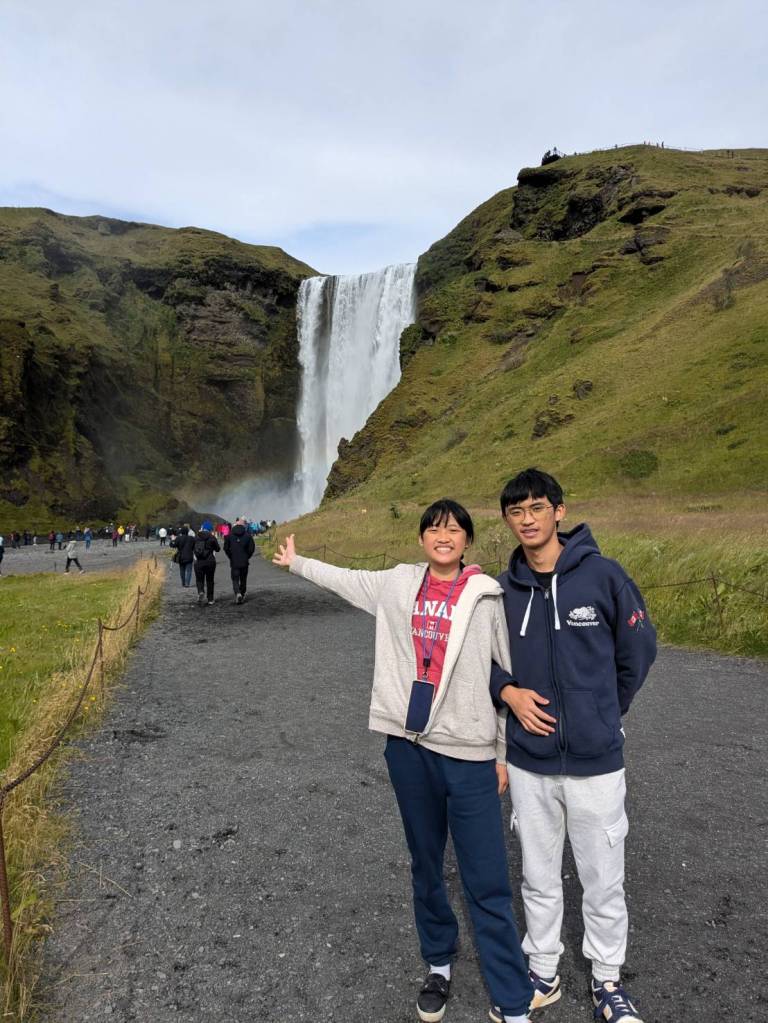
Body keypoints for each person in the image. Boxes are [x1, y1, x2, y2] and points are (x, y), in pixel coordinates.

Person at [273, 500, 534, 1023]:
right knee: (425, 862)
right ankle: (438, 963)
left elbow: (504, 672)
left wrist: (503, 755)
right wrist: (298, 563)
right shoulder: (396, 584)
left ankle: (512, 1000)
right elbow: (346, 580)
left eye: (454, 529)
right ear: (421, 539)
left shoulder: (487, 595)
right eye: (434, 529)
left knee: (487, 877)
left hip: (469, 752)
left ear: (467, 541)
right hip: (408, 748)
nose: (444, 536)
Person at [489, 469, 656, 1023]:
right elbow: (479, 659)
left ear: (559, 511)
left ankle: (608, 981)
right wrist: (507, 690)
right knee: (537, 877)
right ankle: (543, 972)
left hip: (595, 763)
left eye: (538, 507)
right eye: (517, 512)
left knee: (603, 880)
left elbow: (638, 651)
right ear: (508, 520)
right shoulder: (502, 591)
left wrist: (602, 711)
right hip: (529, 762)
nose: (528, 519)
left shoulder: (604, 576)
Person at [224, 517, 255, 604]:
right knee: (243, 579)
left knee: (235, 579)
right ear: (244, 525)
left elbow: (226, 548)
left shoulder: (229, 536)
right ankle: (242, 593)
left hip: (234, 561)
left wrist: (230, 556)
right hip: (244, 561)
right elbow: (252, 549)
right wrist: (247, 556)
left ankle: (237, 593)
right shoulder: (248, 536)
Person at [193, 520, 220, 606]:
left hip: (199, 561)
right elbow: (218, 549)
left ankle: (200, 591)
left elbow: (192, 547)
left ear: (202, 528)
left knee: (199, 579)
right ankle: (210, 599)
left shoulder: (196, 537)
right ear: (210, 529)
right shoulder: (212, 537)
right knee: (210, 580)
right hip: (210, 561)